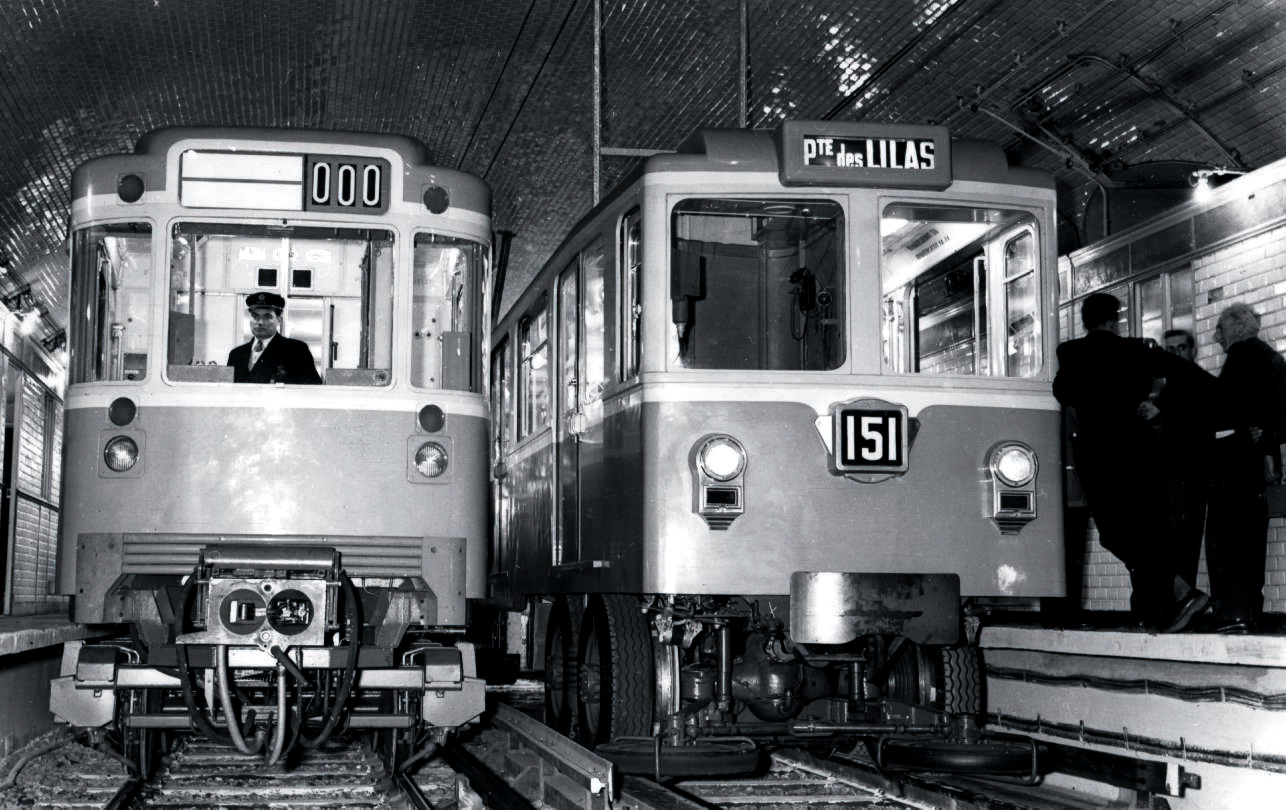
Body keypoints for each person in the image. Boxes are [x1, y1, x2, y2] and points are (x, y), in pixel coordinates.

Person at [1053, 292, 1208, 632]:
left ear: (1085, 320)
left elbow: (1063, 393)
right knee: (1142, 529)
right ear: (1114, 319)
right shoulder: (1137, 350)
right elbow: (1195, 378)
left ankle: (1175, 595)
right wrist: (1163, 405)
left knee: (1116, 534)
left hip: (1096, 455)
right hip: (1139, 452)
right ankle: (1171, 599)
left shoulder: (1071, 352)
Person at [1199, 303, 1286, 633]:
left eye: (1220, 328)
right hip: (1258, 469)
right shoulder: (1271, 357)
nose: (1215, 335)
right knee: (1251, 541)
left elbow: (1224, 410)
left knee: (1228, 540)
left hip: (1233, 468)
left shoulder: (1241, 358)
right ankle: (1250, 612)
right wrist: (1269, 434)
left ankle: (1233, 613)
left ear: (1236, 328)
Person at [1153, 328, 1217, 588]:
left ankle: (1182, 599)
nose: (1175, 355)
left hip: (1189, 475)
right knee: (1174, 540)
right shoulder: (1169, 388)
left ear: (1193, 350)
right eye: (1169, 350)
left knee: (1182, 539)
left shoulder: (1198, 383)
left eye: (1180, 348)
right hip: (1173, 476)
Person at [227, 291, 323, 384]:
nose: (260, 322)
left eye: (267, 316)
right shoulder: (236, 354)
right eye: (255, 316)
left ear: (279, 320)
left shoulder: (296, 350)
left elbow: (313, 388)